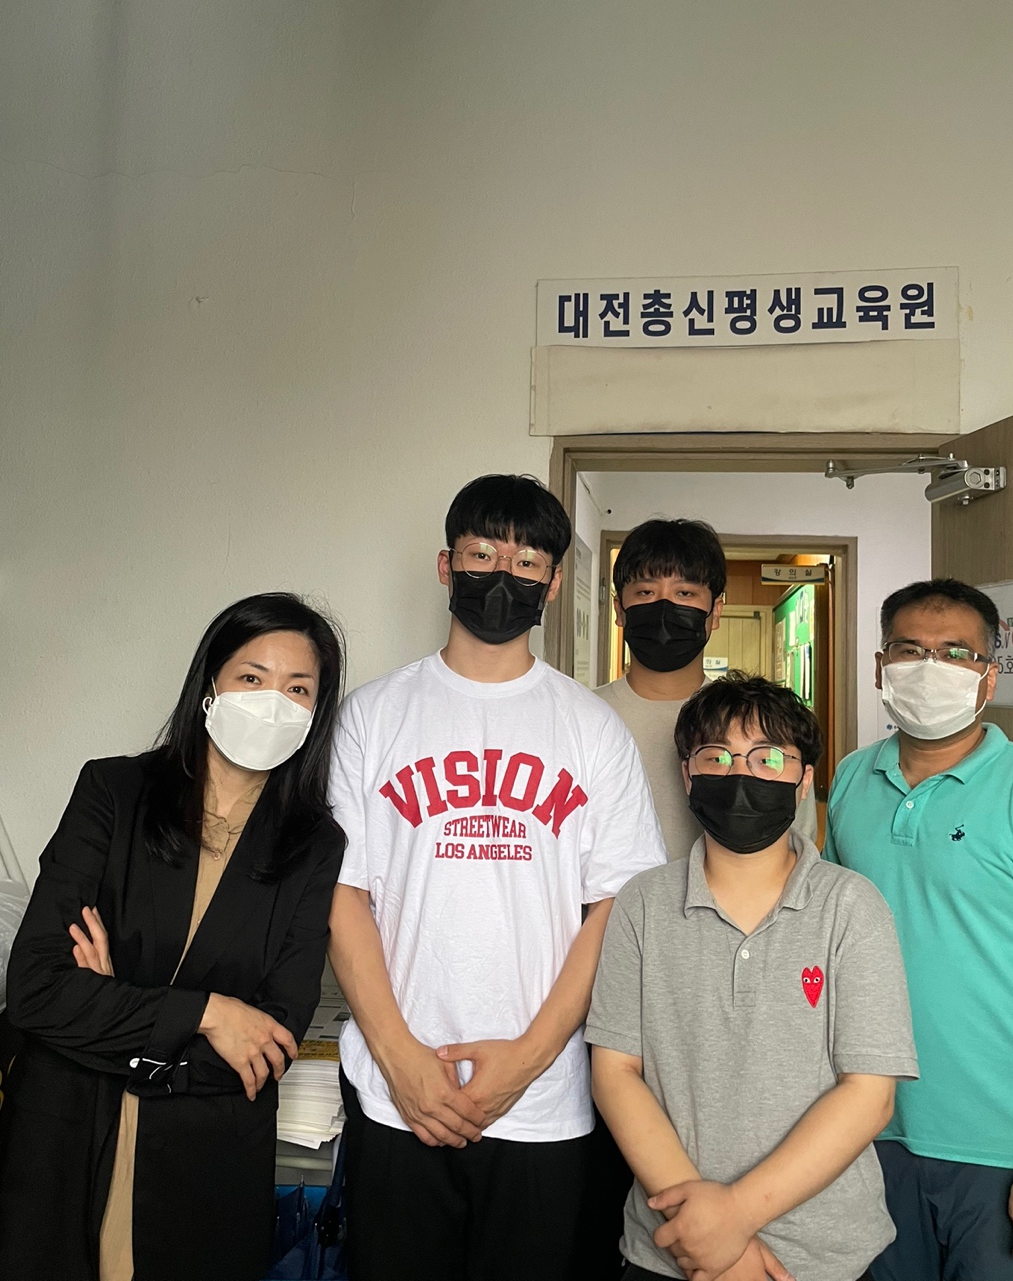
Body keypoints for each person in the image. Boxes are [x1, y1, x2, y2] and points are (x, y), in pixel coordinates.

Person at [328, 473, 666, 1281]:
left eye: (527, 561)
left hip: (542, 1103)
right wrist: (400, 1058)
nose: (503, 574)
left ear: (553, 581)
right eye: (483, 554)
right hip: (394, 1094)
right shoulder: (372, 715)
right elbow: (343, 895)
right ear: (446, 566)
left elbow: (616, 908)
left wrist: (528, 1058)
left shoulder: (592, 729)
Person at [0, 593, 347, 1281]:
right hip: (68, 1133)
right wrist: (208, 1012)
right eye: (252, 677)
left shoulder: (315, 845)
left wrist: (108, 1008)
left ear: (317, 712)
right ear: (210, 684)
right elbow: (36, 988)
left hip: (203, 1165)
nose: (272, 702)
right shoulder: (114, 791)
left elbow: (271, 1040)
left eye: (297, 689)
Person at [587, 671, 918, 1281]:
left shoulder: (852, 906)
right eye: (716, 757)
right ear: (687, 774)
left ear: (804, 780)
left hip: (825, 1255)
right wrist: (709, 1233)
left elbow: (869, 1094)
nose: (741, 775)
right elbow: (615, 1074)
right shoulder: (642, 903)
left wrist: (737, 1214)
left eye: (768, 758)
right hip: (671, 1245)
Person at [825, 577, 1013, 1281]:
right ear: (881, 667)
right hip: (865, 1129)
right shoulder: (850, 781)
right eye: (910, 650)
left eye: (956, 653)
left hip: (1005, 1151)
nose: (929, 668)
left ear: (988, 677)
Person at [596, 518, 817, 859]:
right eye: (645, 592)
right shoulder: (580, 716)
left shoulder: (761, 727)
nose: (665, 606)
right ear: (619, 610)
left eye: (685, 593)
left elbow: (796, 851)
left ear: (715, 611)